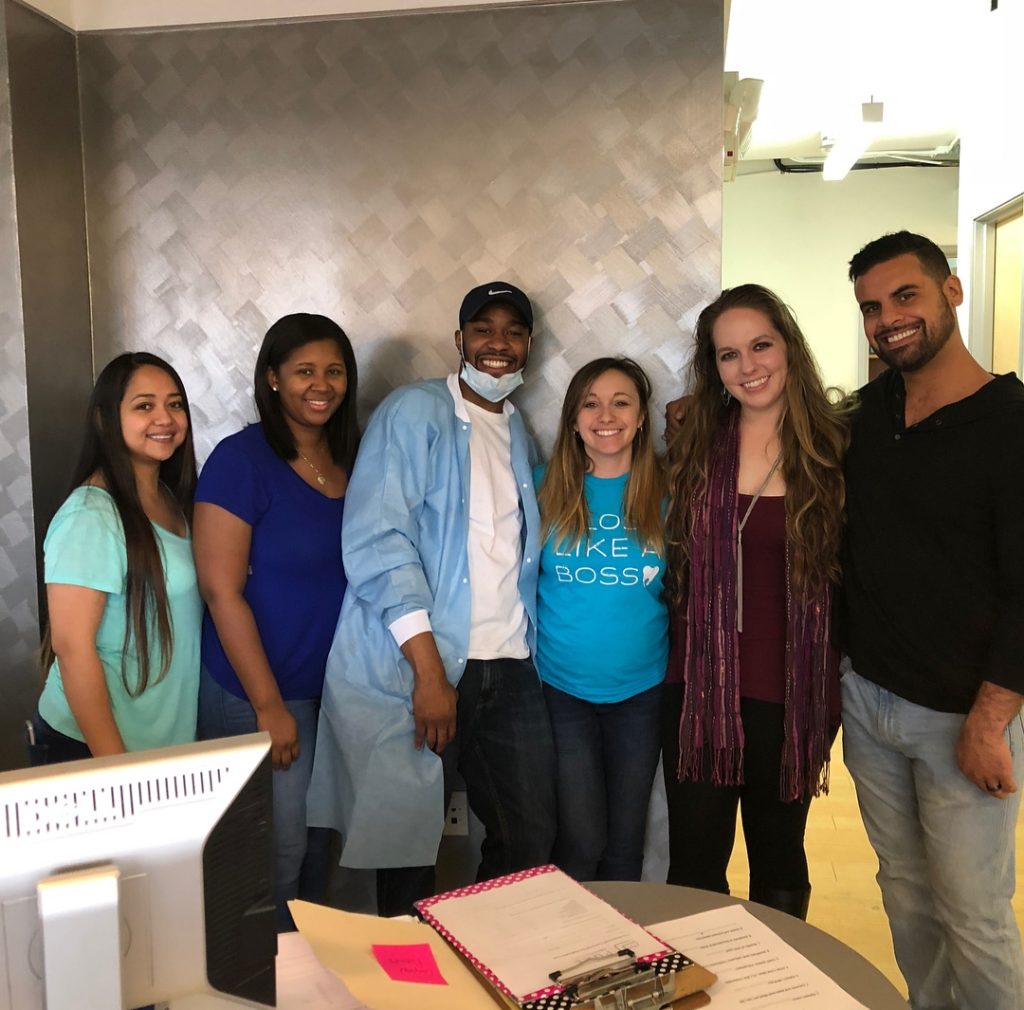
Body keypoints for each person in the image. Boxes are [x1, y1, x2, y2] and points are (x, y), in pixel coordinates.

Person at [308, 281, 556, 917]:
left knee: (527, 837)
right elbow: (377, 541)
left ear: (527, 344)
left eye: (512, 331)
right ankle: (413, 982)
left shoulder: (519, 429)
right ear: (460, 340)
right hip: (424, 669)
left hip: (511, 665)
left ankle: (494, 962)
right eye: (483, 328)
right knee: (408, 851)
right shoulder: (412, 413)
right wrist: (427, 673)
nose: (497, 343)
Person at [840, 231, 1024, 1009]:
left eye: (905, 296)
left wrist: (990, 720)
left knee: (975, 916)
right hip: (870, 701)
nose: (888, 320)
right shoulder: (869, 412)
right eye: (872, 308)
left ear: (951, 290)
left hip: (961, 716)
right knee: (906, 896)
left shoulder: (1011, 423)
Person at [662, 284, 846, 919]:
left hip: (790, 698)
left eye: (761, 345)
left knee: (780, 864)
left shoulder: (834, 451)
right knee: (692, 867)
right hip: (697, 695)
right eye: (728, 355)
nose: (749, 367)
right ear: (713, 369)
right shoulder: (692, 448)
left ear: (788, 347)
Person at [193, 312, 359, 932]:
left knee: (318, 845)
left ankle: (308, 976)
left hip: (328, 694)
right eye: (304, 371)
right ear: (272, 379)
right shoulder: (242, 460)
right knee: (275, 855)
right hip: (254, 692)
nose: (321, 385)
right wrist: (267, 706)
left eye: (334, 371)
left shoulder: (351, 457)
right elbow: (221, 591)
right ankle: (266, 986)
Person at [30, 352, 199, 763]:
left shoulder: (171, 500)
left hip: (157, 740)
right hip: (93, 747)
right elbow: (72, 648)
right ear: (105, 420)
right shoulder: (90, 514)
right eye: (145, 406)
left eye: (174, 404)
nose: (165, 418)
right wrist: (116, 766)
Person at [535, 357, 667, 881]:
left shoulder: (667, 490)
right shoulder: (542, 487)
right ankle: (572, 951)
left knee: (625, 842)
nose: (605, 415)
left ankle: (621, 958)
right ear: (572, 419)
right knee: (580, 837)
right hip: (562, 691)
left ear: (640, 418)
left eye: (620, 402)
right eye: (590, 403)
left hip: (642, 691)